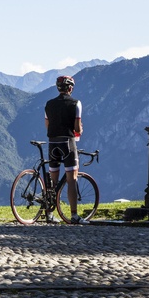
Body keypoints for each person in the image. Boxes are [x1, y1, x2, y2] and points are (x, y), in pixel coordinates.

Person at [45, 75, 87, 225]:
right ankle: (74, 215)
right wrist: (80, 130)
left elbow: (47, 125)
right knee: (71, 179)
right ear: (70, 88)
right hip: (67, 143)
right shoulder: (76, 103)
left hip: (52, 143)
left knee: (52, 180)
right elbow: (77, 128)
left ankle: (49, 213)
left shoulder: (49, 104)